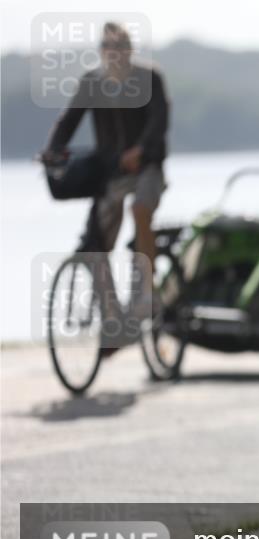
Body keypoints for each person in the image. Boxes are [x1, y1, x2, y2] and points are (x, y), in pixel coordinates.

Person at [42, 21, 170, 352]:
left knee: (140, 207)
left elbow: (159, 122)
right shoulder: (92, 82)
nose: (115, 57)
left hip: (147, 168)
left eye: (121, 50)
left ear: (129, 52)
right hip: (111, 173)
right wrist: (52, 150)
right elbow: (68, 120)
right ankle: (113, 320)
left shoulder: (149, 78)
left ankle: (145, 293)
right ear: (102, 53)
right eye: (109, 51)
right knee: (96, 244)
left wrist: (141, 150)